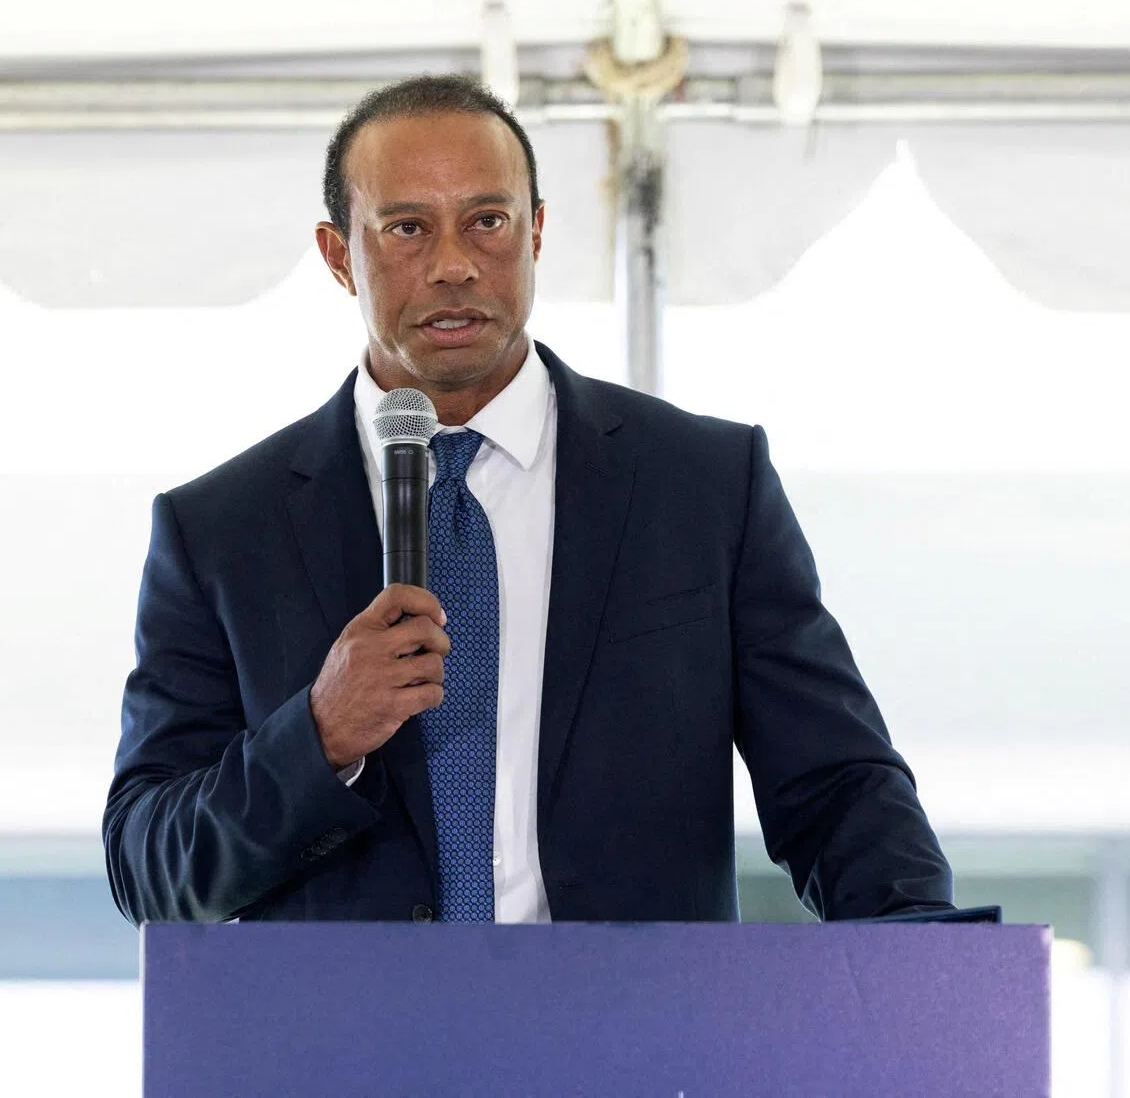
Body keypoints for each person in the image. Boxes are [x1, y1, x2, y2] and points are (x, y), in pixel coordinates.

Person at [103, 74, 954, 926]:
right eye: (406, 228)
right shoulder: (219, 532)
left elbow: (837, 785)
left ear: (537, 231)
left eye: (488, 221)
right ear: (337, 255)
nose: (453, 264)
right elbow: (150, 868)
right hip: (350, 1050)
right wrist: (317, 737)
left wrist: (930, 976)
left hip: (632, 1041)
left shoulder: (700, 485)